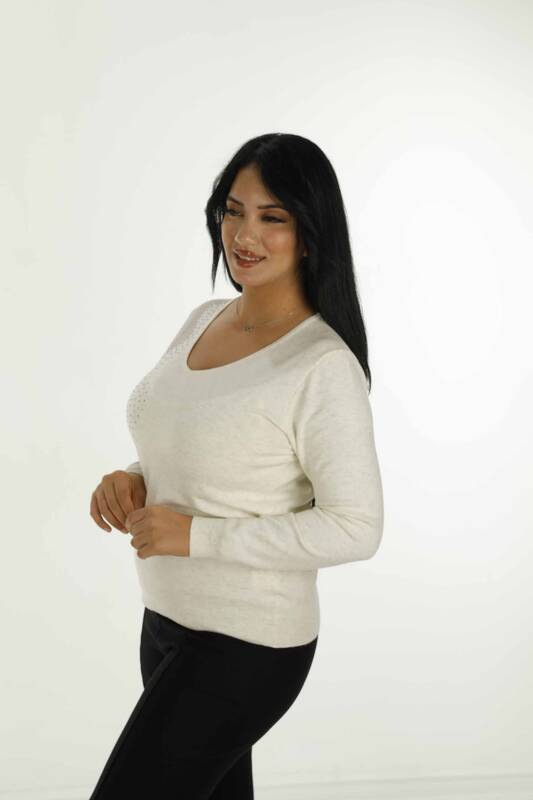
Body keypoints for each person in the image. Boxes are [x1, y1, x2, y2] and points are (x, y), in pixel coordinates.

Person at [88, 133, 385, 799]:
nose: (244, 235)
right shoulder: (204, 319)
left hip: (245, 644)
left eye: (272, 217)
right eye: (232, 210)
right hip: (165, 622)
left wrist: (197, 536)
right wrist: (135, 476)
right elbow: (201, 440)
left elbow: (356, 527)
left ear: (309, 234)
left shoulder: (321, 365)